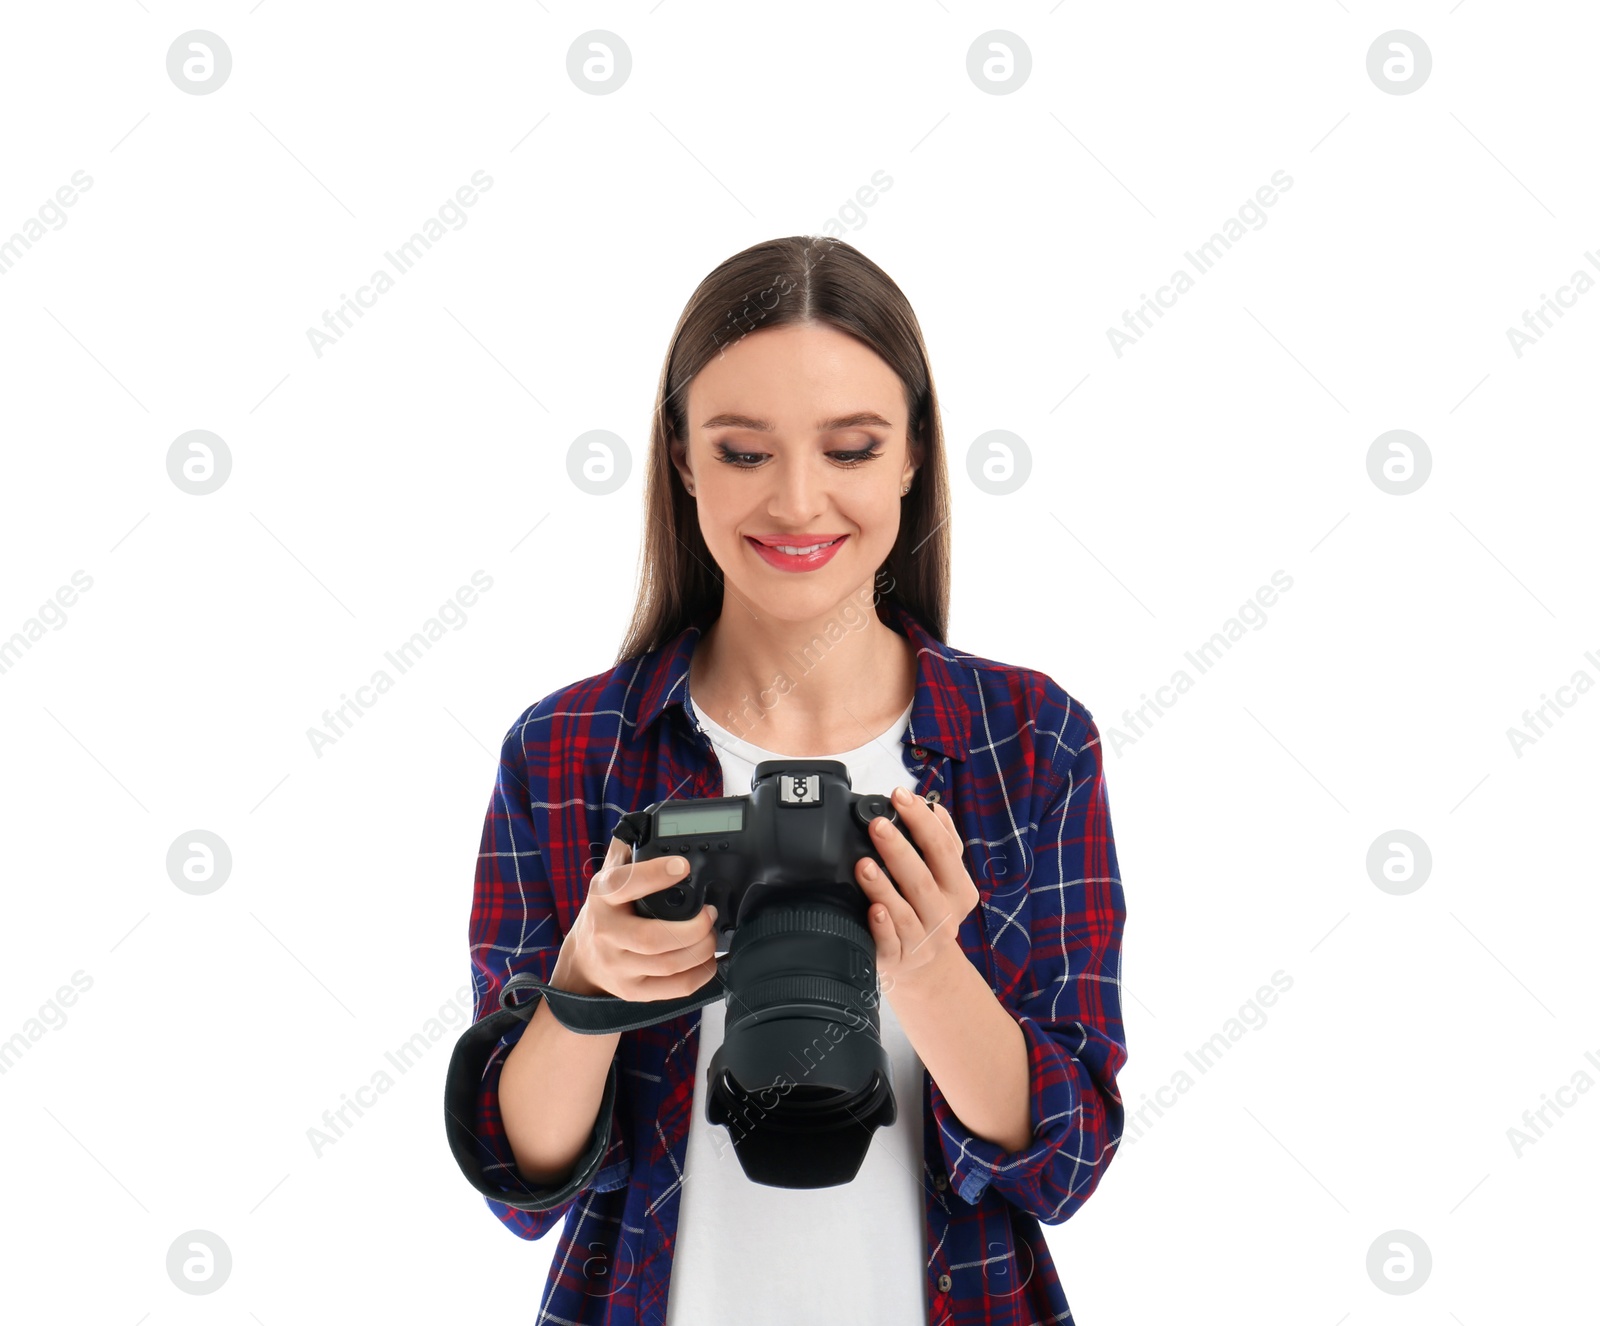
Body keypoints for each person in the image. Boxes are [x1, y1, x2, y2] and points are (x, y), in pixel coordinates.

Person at [457, 236, 1128, 1325]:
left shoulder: (1027, 742)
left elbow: (1065, 1162)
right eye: (742, 453)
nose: (799, 503)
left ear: (914, 455)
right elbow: (523, 1179)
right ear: (680, 459)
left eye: (852, 448)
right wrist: (587, 984)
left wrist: (925, 967)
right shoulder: (574, 748)